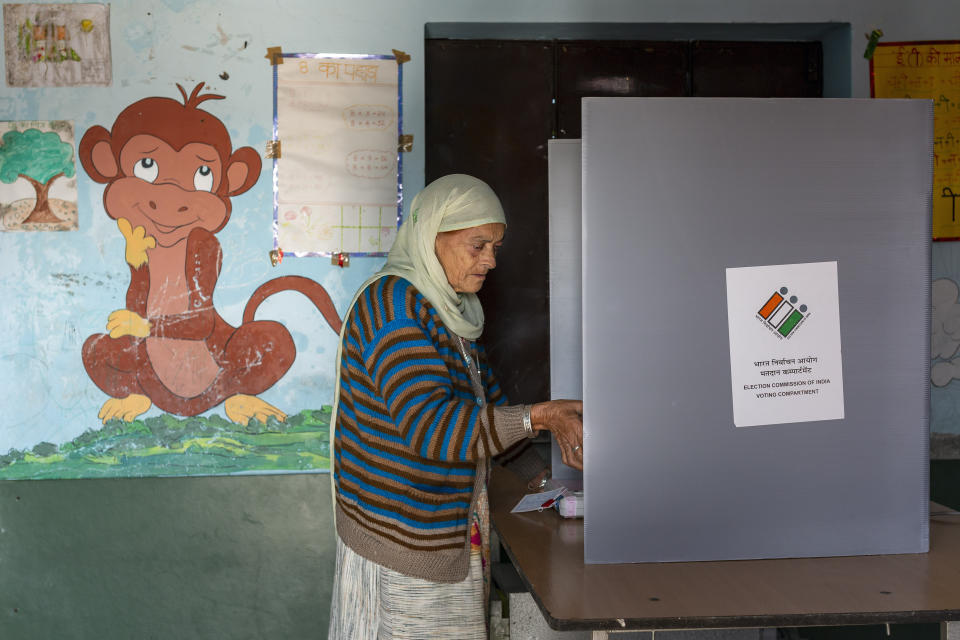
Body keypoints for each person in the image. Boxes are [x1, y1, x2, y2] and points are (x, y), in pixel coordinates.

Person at [327, 174, 583, 639]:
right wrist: (541, 416)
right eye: (478, 245)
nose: (490, 260)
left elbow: (486, 403)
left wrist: (545, 484)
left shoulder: (448, 307)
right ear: (432, 237)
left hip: (442, 528)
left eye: (496, 247)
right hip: (402, 540)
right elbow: (434, 429)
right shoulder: (393, 305)